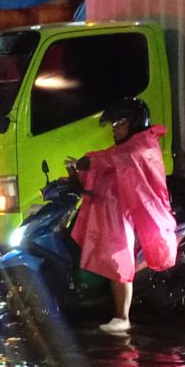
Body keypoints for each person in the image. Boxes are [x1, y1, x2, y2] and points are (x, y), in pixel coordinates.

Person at [69, 96, 177, 334]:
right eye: (113, 124)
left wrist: (90, 161)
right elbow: (108, 163)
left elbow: (115, 160)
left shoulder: (141, 146)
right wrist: (79, 171)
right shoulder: (127, 147)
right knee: (115, 260)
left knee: (119, 262)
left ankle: (122, 317)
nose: (115, 128)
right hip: (121, 213)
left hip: (136, 216)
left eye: (120, 122)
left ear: (134, 122)